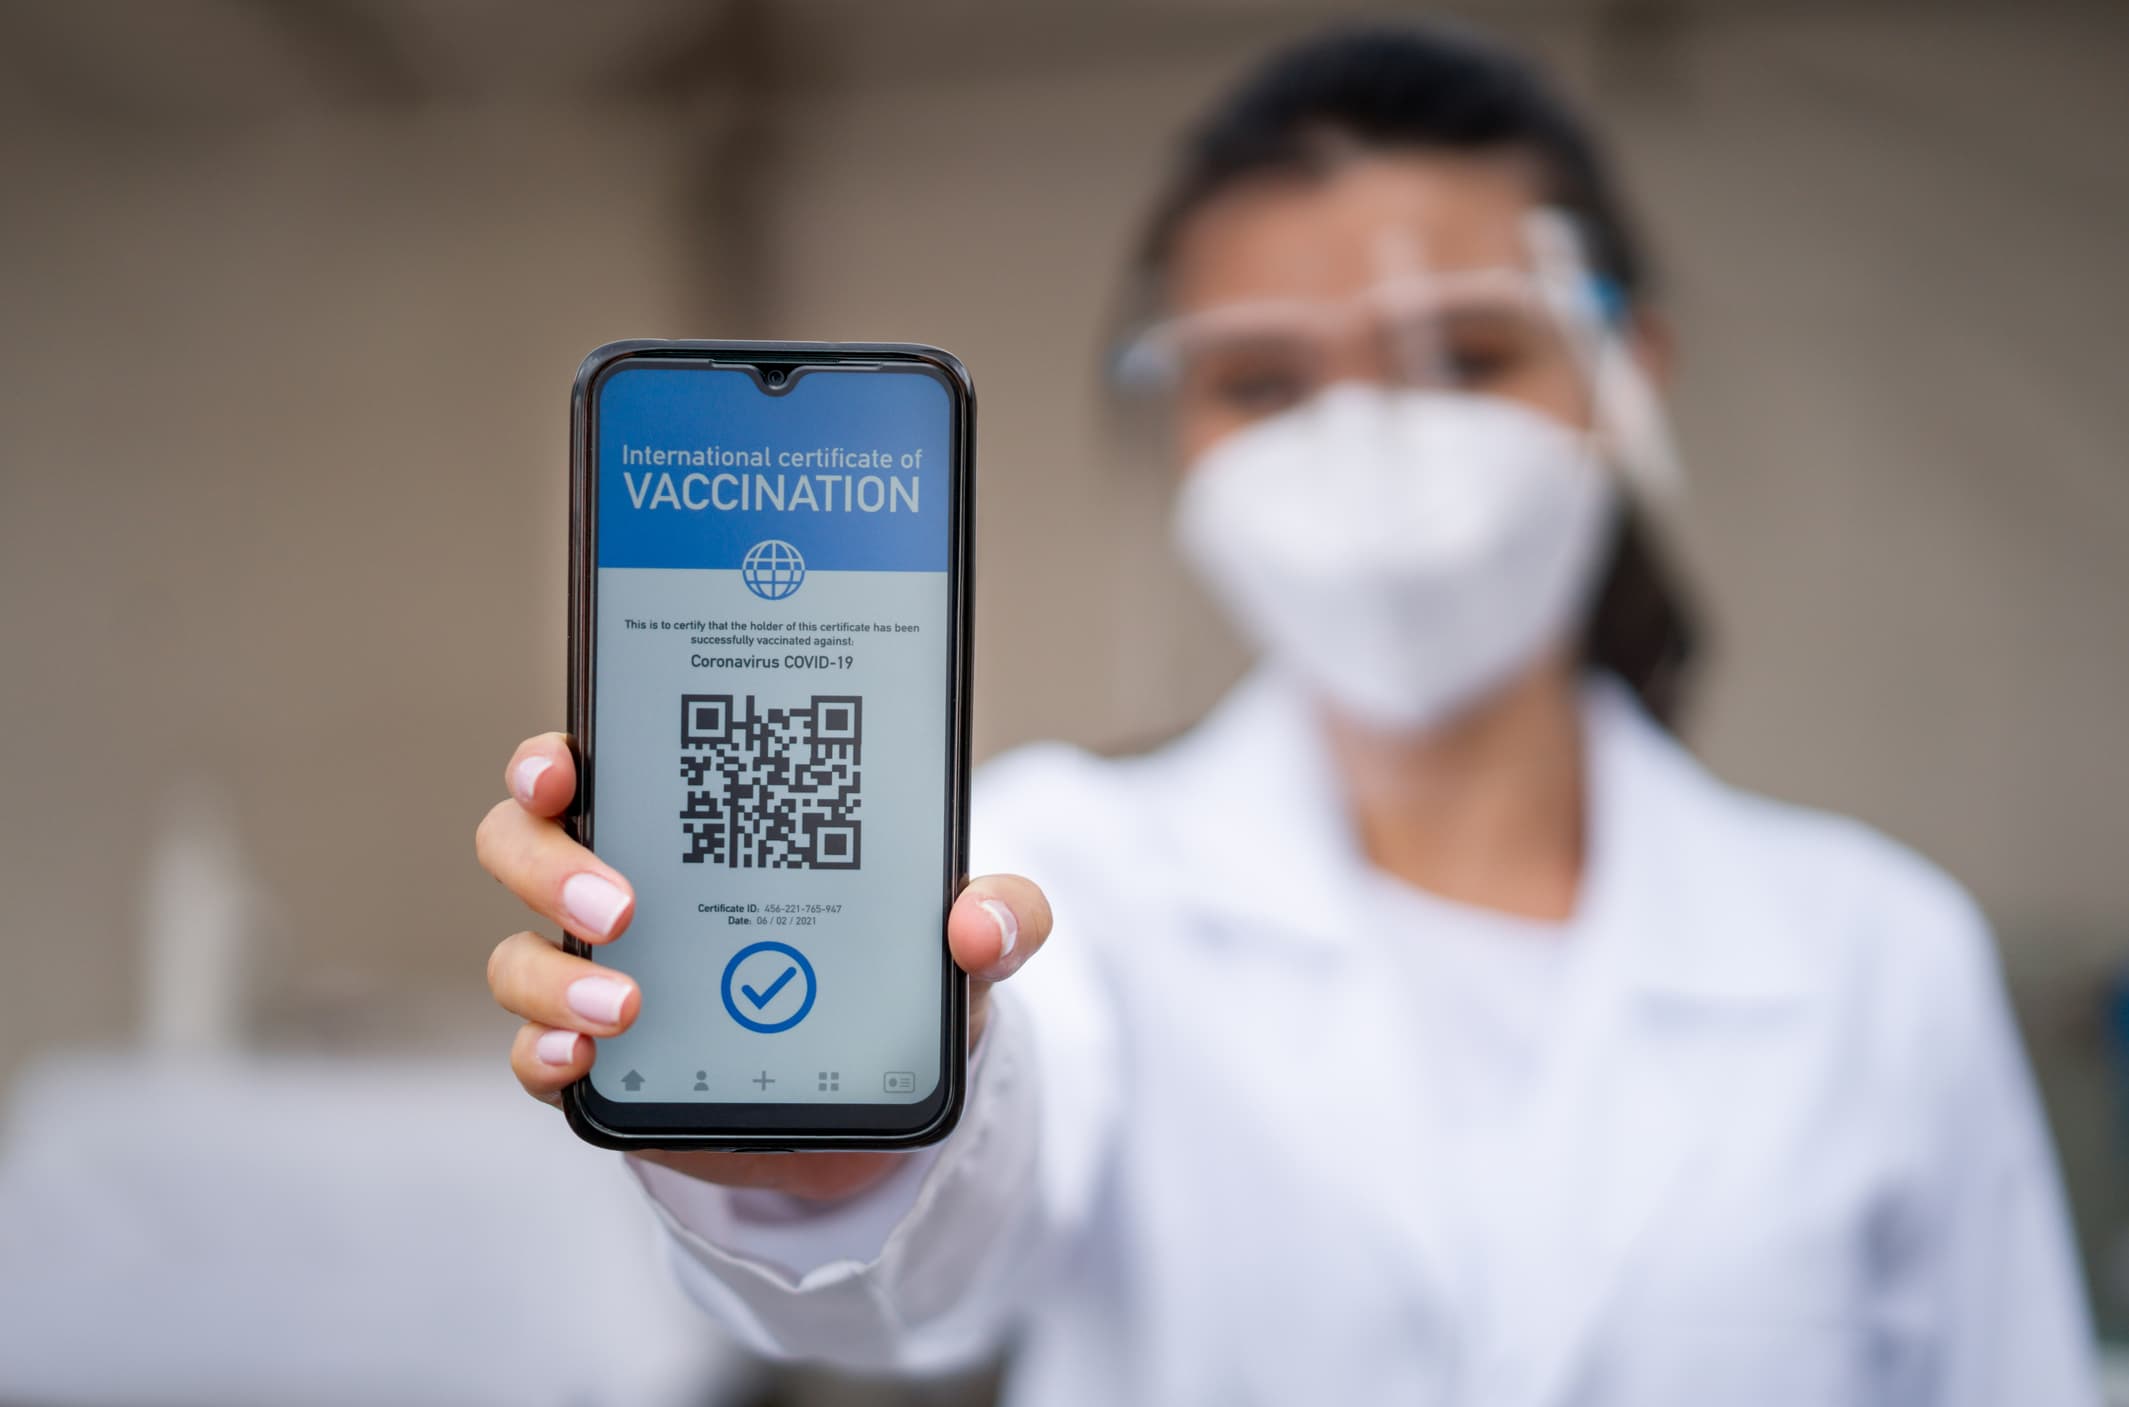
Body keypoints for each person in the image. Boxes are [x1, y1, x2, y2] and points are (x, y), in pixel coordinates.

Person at [474, 24, 2099, 1406]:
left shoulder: (1879, 954)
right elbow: (937, 1238)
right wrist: (820, 1164)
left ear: (1627, 373)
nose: (1368, 446)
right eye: (1262, 381)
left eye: (1461, 356)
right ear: (1175, 423)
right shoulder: (1052, 863)